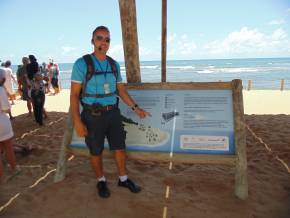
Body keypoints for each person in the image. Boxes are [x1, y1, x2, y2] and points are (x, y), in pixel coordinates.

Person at [71, 26, 150, 198]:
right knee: (95, 150)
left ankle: (123, 179)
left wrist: (136, 108)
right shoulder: (81, 63)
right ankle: (101, 181)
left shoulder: (114, 65)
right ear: (92, 41)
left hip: (113, 113)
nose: (103, 42)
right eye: (99, 38)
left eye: (107, 39)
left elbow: (121, 90)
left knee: (120, 147)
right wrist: (77, 121)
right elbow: (74, 95)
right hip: (92, 116)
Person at [0, 68, 17, 179]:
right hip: (2, 122)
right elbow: (6, 108)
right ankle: (14, 169)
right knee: (8, 148)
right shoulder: (0, 90)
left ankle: (1, 177)